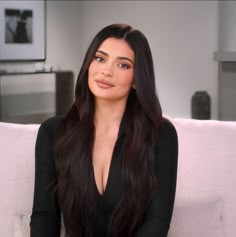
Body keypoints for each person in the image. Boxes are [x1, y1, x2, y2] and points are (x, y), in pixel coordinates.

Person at [30, 23, 178, 237]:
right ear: (89, 64)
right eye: (100, 58)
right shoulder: (53, 132)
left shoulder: (162, 135)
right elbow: (44, 217)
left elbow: (158, 222)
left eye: (123, 65)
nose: (106, 71)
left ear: (137, 78)